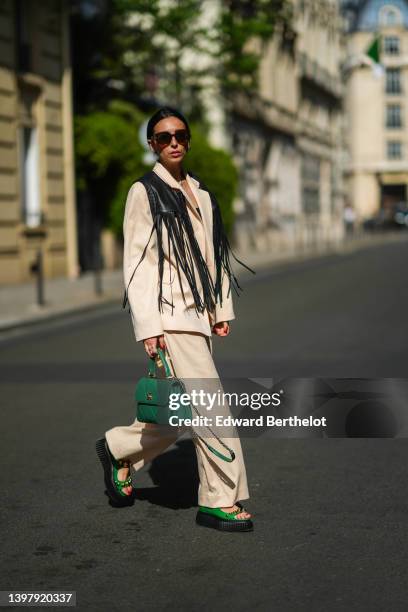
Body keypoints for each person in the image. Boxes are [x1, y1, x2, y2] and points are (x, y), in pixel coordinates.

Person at [96, 106, 255, 532]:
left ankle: (119, 449)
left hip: (198, 316)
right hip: (171, 317)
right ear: (151, 143)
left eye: (180, 135)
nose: (173, 143)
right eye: (163, 137)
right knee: (212, 411)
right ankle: (219, 500)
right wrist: (148, 327)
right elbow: (138, 264)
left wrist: (221, 309)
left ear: (188, 140)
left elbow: (213, 255)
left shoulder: (200, 193)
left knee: (178, 413)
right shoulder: (143, 192)